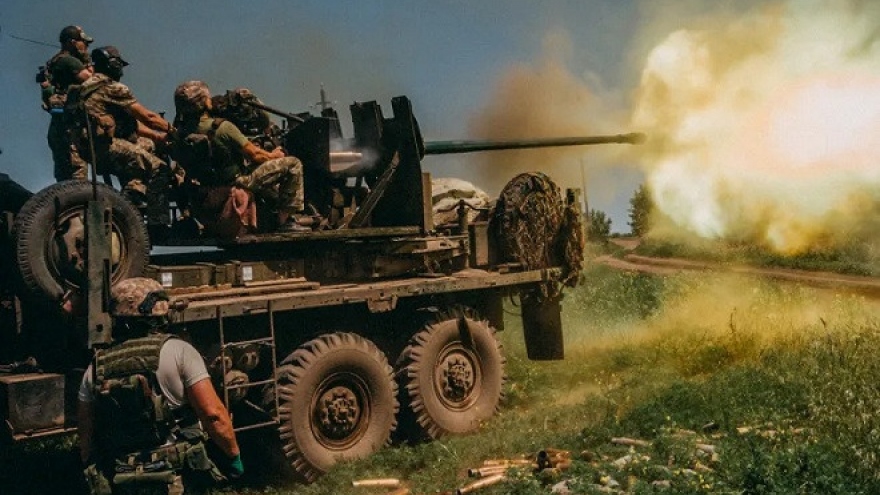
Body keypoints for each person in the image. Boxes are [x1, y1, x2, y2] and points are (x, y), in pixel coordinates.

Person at [77, 277, 243, 495]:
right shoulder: (180, 352)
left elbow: (86, 435)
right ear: (160, 315)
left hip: (123, 479)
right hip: (175, 478)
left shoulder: (96, 366)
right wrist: (233, 457)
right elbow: (213, 415)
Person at [69, 45, 181, 235]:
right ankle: (157, 224)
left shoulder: (86, 86)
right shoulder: (113, 88)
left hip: (86, 148)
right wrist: (174, 131)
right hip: (104, 147)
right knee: (160, 168)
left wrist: (156, 137)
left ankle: (132, 194)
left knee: (148, 147)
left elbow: (130, 123)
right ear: (113, 65)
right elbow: (148, 117)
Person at [172, 80, 310, 233]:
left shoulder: (180, 134)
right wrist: (276, 154)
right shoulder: (222, 127)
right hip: (235, 183)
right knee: (293, 164)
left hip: (205, 189)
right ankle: (285, 221)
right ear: (204, 102)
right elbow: (256, 155)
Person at [40, 25, 94, 181]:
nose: (86, 46)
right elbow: (91, 80)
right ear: (72, 42)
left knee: (64, 178)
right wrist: (87, 60)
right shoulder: (69, 61)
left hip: (59, 125)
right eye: (84, 42)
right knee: (77, 175)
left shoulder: (55, 61)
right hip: (70, 128)